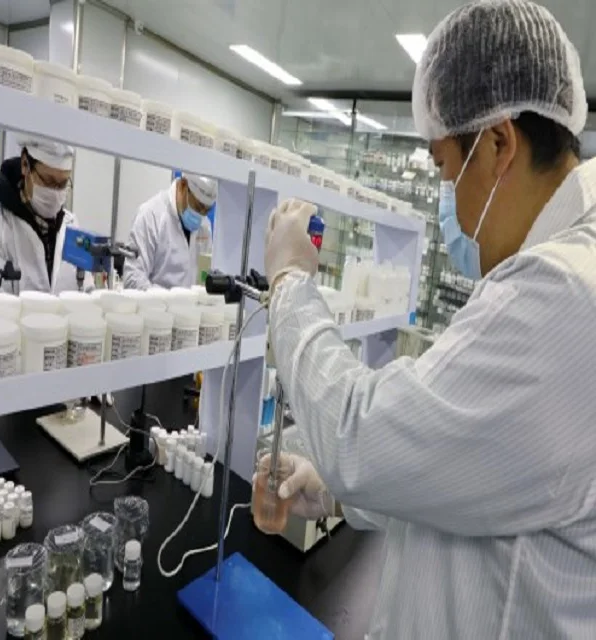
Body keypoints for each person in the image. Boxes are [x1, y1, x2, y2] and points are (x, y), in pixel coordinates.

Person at [263, 1, 596, 638]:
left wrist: (290, 284)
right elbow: (479, 471)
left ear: (499, 144)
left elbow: (358, 435)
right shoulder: (559, 274)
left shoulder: (564, 296)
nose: (453, 209)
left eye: (445, 168)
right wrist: (335, 492)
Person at [0, 137, 92, 293]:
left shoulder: (72, 225)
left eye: (62, 184)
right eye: (48, 181)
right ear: (25, 165)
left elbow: (87, 290)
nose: (55, 193)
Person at [123, 174, 216, 290]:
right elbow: (133, 278)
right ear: (183, 186)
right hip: (155, 301)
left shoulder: (204, 225)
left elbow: (203, 276)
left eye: (206, 210)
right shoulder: (150, 216)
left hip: (189, 302)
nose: (201, 215)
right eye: (198, 207)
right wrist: (166, 299)